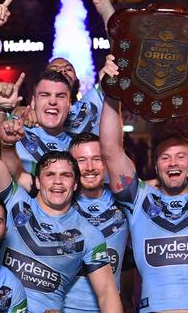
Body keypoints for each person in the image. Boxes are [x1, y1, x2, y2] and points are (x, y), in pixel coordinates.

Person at [100, 45, 188, 311]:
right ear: (156, 166)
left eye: (180, 156)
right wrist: (112, 91)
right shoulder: (140, 200)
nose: (173, 163)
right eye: (165, 158)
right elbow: (110, 150)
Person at [0, 74, 122, 311]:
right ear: (37, 181)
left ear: (76, 184)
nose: (57, 182)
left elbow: (107, 292)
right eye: (50, 175)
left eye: (65, 175)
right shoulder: (16, 203)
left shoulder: (88, 234)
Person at [0, 0, 115, 138]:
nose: (61, 71)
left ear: (77, 80)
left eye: (68, 69)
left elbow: (122, 55)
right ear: (38, 91)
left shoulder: (91, 108)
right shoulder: (18, 119)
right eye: (54, 69)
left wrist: (102, 2)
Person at [63, 133, 131, 312]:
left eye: (97, 159)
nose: (90, 167)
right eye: (81, 160)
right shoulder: (57, 202)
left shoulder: (126, 202)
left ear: (106, 163)